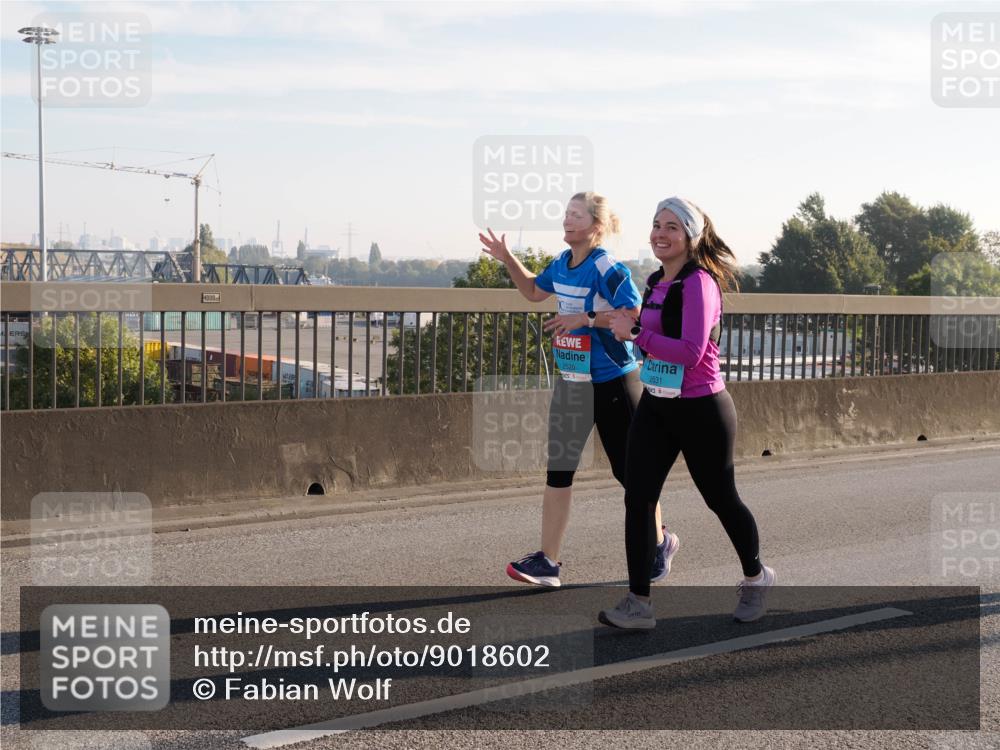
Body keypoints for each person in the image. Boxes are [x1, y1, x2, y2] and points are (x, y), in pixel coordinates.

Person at [478, 192, 679, 588]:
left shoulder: (605, 266)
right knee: (559, 471)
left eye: (576, 215)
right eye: (566, 214)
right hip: (573, 383)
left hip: (614, 381)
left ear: (596, 226)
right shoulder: (562, 263)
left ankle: (659, 542)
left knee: (632, 475)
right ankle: (548, 562)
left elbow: (635, 313)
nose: (567, 221)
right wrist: (507, 260)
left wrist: (584, 318)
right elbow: (535, 291)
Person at [599, 196, 774, 629]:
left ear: (691, 237)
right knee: (638, 497)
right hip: (657, 404)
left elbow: (693, 353)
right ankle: (638, 602)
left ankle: (756, 576)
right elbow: (648, 339)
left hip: (701, 408)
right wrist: (620, 323)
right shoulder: (655, 280)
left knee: (720, 499)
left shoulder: (700, 284)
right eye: (656, 224)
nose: (660, 233)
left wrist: (636, 332)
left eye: (671, 226)